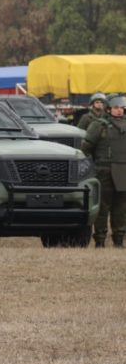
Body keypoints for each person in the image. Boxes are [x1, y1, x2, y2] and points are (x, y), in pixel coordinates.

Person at [81, 93, 126, 248]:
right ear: (108, 109)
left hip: (123, 170)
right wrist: (93, 166)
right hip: (103, 171)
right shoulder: (98, 125)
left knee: (121, 208)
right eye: (116, 107)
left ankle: (119, 240)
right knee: (102, 207)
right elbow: (86, 148)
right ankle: (100, 240)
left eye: (121, 108)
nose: (119, 111)